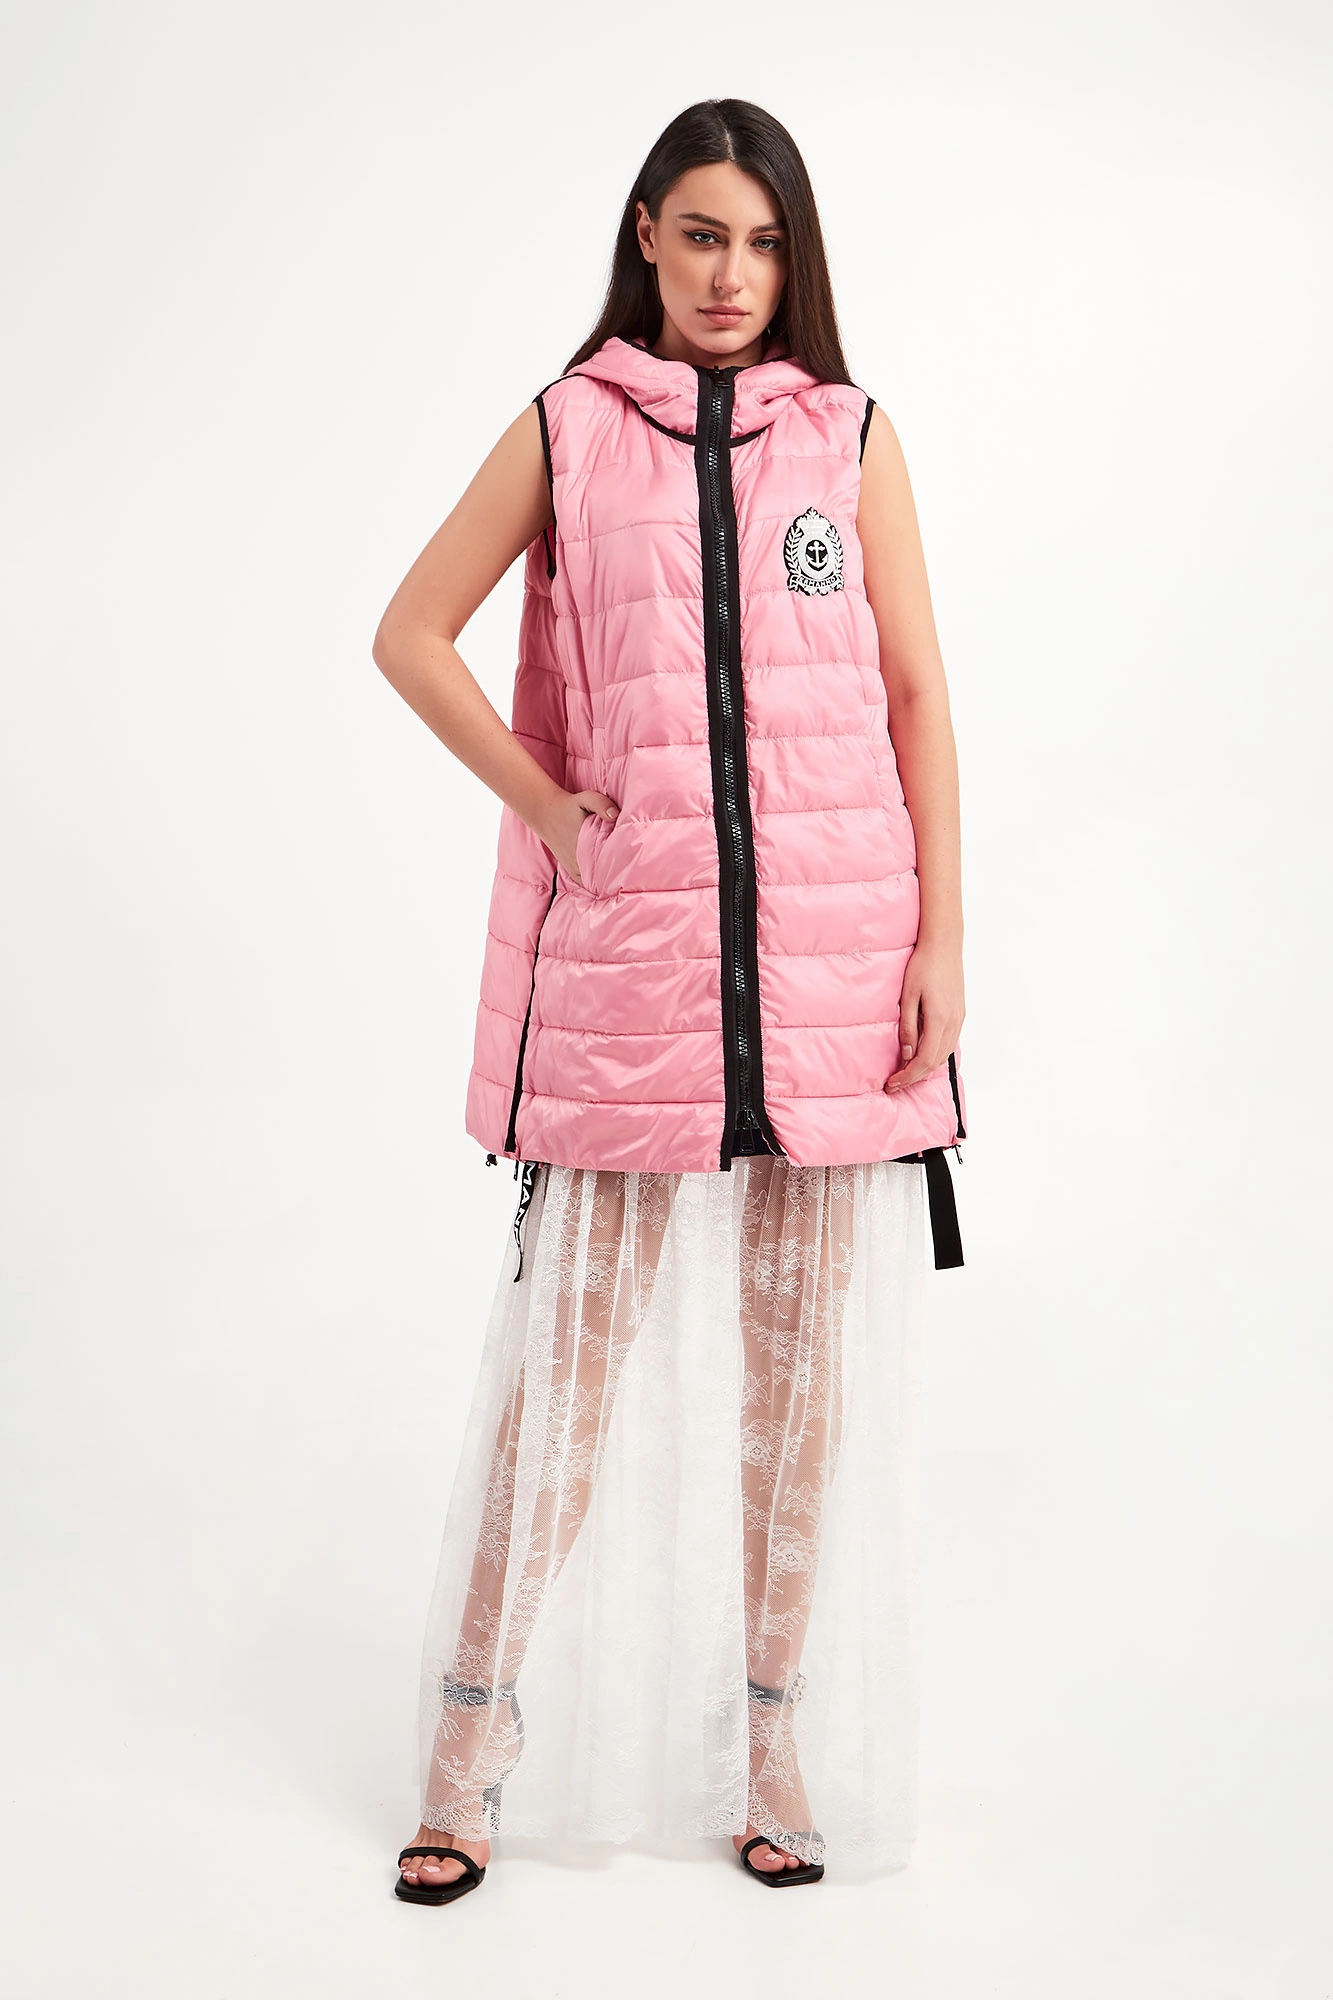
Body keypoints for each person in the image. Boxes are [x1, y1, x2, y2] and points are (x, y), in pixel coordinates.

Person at [372, 96, 967, 1904]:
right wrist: (550, 804)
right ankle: (468, 1750)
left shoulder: (847, 435)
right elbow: (411, 631)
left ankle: (769, 1750)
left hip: (834, 977)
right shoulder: (572, 427)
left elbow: (917, 696)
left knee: (797, 1389)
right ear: (646, 232)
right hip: (635, 978)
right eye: (703, 234)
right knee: (566, 1376)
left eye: (764, 243)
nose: (732, 275)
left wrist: (945, 942)